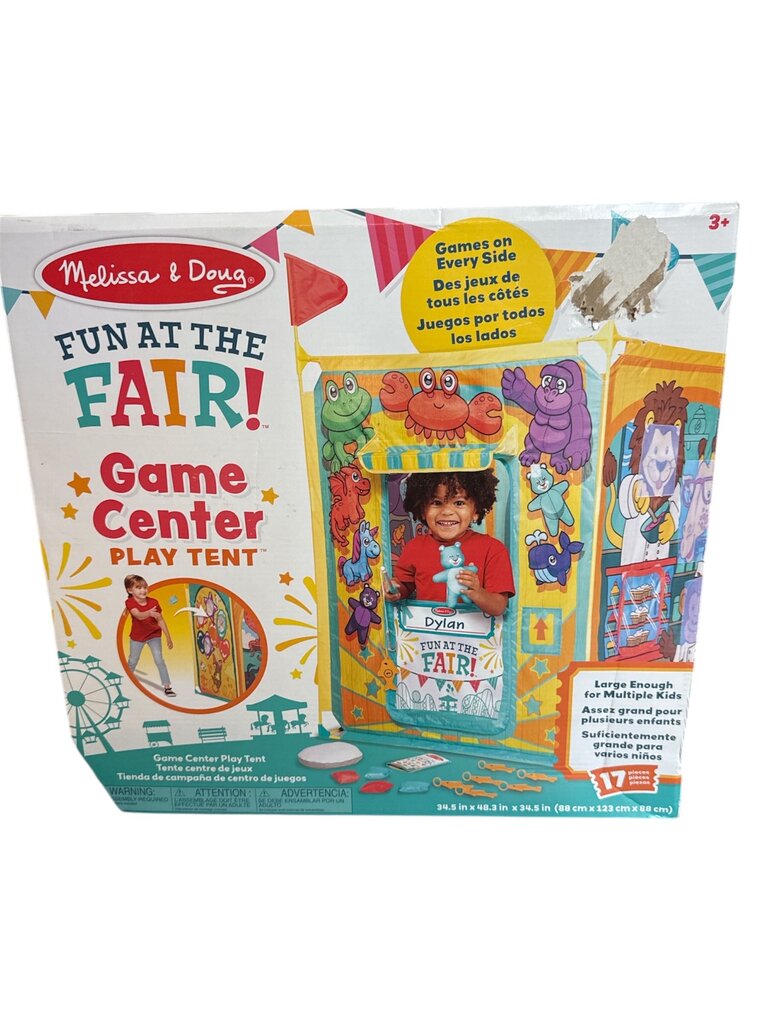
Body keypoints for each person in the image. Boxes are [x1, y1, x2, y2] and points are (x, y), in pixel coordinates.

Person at [385, 469, 514, 616]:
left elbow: (498, 607)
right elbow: (404, 586)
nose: (447, 512)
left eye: (459, 503)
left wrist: (477, 593)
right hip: (427, 629)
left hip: (475, 630)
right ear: (422, 509)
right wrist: (394, 590)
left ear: (476, 511)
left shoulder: (493, 549)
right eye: (436, 502)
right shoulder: (414, 547)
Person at [123, 574, 176, 697]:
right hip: (137, 637)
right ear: (130, 591)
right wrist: (149, 613)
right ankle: (126, 681)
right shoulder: (129, 602)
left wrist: (168, 637)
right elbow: (138, 615)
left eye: (145, 587)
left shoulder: (154, 602)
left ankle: (167, 686)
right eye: (139, 588)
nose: (143, 590)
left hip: (154, 635)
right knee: (133, 660)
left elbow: (160, 620)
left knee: (159, 660)